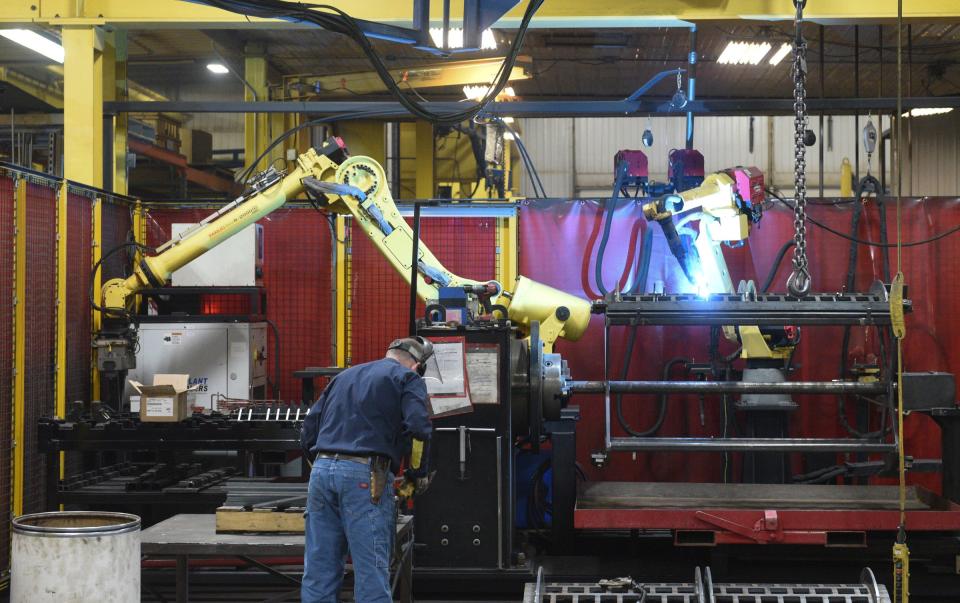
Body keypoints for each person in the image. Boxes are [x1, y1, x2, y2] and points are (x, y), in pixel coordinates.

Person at [300, 336, 434, 603]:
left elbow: (308, 431)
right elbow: (419, 430)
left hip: (321, 472)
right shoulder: (408, 379)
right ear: (417, 365)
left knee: (320, 569)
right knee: (371, 570)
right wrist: (416, 475)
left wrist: (323, 468)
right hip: (364, 478)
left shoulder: (345, 376)